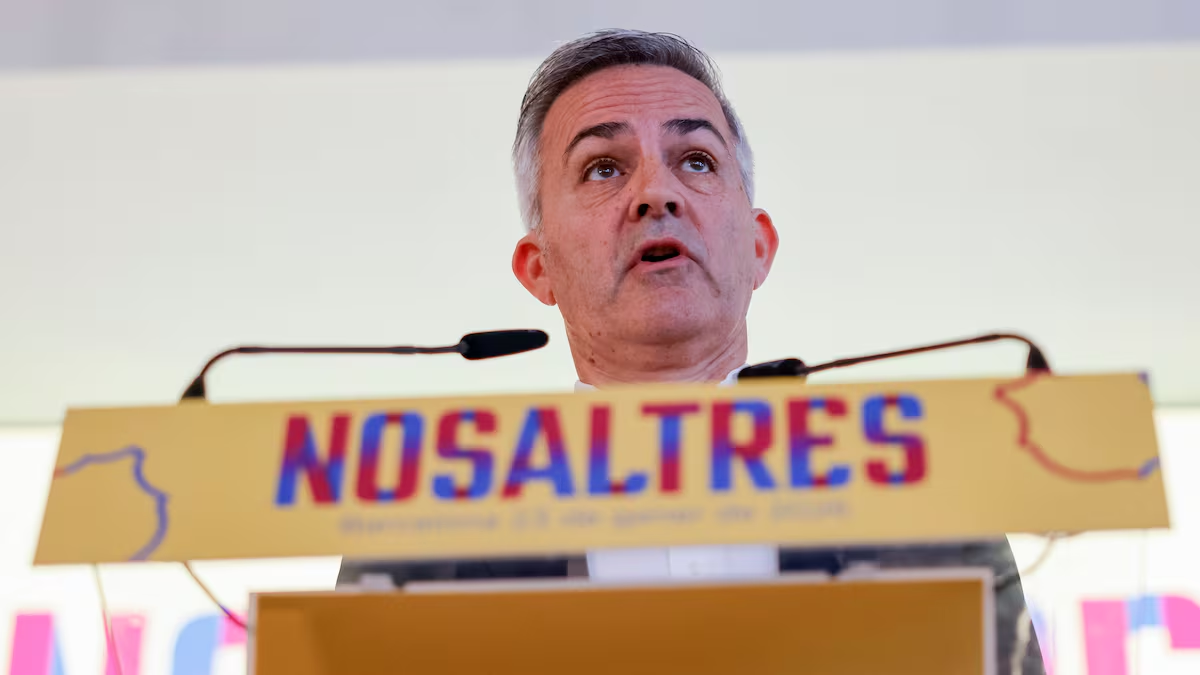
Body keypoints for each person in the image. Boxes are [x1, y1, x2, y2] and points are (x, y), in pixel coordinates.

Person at [339, 28, 1044, 674]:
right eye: (603, 168)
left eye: (697, 160)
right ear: (538, 267)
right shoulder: (423, 528)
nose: (656, 194)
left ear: (758, 246)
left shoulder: (920, 499)